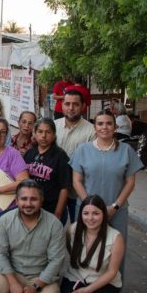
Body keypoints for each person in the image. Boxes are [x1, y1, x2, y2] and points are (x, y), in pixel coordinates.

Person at [71, 109, 144, 293]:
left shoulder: (125, 151)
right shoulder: (83, 149)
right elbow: (76, 180)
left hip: (116, 210)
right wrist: (89, 206)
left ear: (115, 127)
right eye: (100, 124)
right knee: (83, 250)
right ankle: (82, 290)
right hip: (87, 211)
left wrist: (116, 206)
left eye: (108, 124)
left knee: (115, 255)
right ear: (94, 127)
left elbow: (130, 182)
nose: (104, 127)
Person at [0, 180, 66, 293]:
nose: (28, 204)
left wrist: (36, 287)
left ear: (41, 200)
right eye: (24, 199)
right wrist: (12, 282)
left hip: (41, 275)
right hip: (13, 271)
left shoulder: (54, 224)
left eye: (33, 199)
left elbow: (56, 261)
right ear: (16, 200)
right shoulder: (5, 220)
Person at [62, 195, 124, 293]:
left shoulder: (115, 237)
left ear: (104, 214)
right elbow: (70, 250)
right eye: (86, 213)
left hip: (104, 280)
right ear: (81, 214)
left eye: (96, 213)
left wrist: (87, 291)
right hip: (77, 276)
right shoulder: (72, 229)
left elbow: (112, 272)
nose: (90, 218)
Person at [55, 90, 95, 221]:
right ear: (62, 105)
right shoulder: (52, 126)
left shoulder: (92, 131)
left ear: (83, 106)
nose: (71, 108)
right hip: (55, 189)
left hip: (78, 192)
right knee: (54, 229)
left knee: (78, 230)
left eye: (75, 104)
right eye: (67, 104)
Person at [24, 118, 70, 222]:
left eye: (48, 132)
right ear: (34, 133)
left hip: (52, 209)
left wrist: (57, 214)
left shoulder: (60, 156)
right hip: (31, 208)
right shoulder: (29, 153)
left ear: (54, 135)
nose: (43, 136)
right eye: (40, 132)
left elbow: (65, 188)